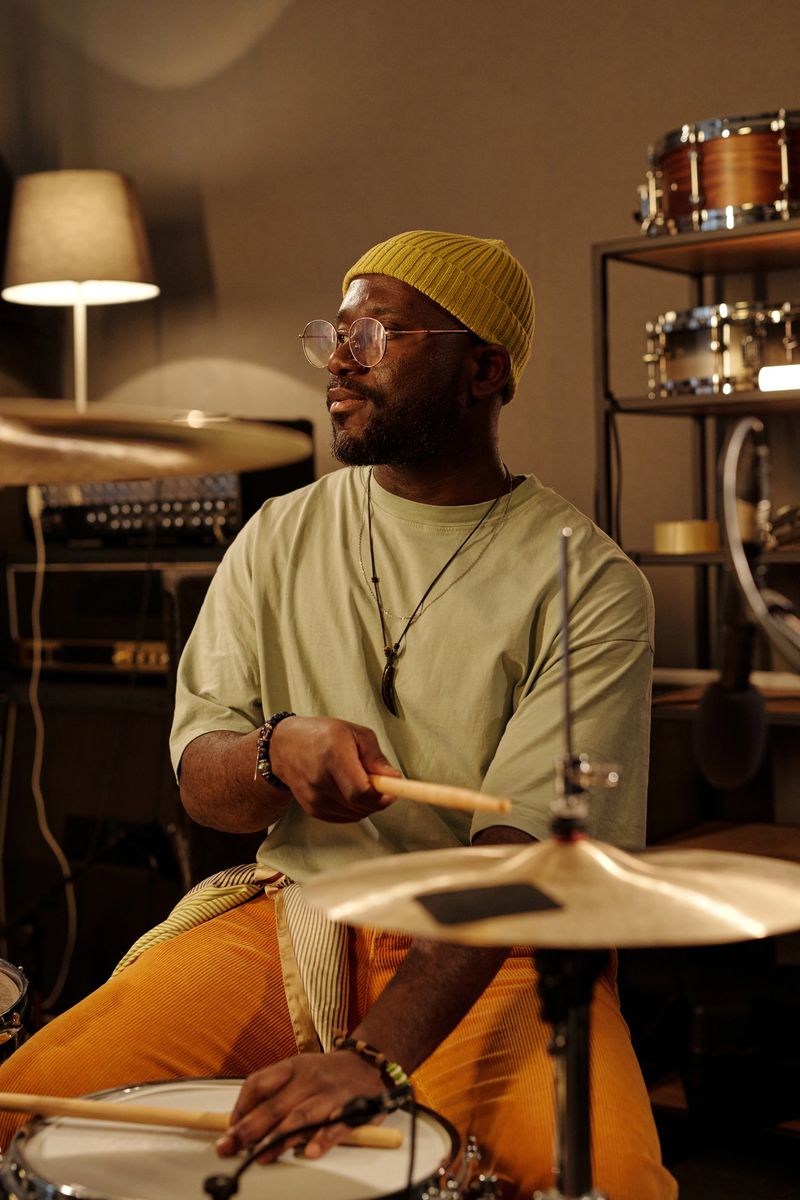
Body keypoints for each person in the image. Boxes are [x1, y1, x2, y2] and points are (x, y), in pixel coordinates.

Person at [0, 230, 675, 1199]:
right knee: (22, 1109)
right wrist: (273, 752)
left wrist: (372, 1057)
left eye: (375, 335)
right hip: (294, 915)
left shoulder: (590, 582)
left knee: (601, 1181)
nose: (338, 361)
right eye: (335, 334)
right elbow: (204, 790)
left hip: (497, 951)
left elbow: (517, 862)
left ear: (483, 370)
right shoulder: (278, 533)